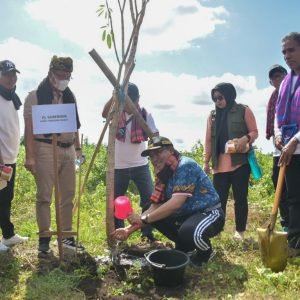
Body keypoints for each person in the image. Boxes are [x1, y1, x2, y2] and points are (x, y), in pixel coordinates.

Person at [113, 136, 225, 266]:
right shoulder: (163, 175)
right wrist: (128, 230)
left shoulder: (185, 166)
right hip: (186, 217)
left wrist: (144, 219)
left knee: (190, 232)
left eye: (158, 153)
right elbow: (154, 207)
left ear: (171, 150)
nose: (155, 159)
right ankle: (185, 246)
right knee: (148, 209)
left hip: (209, 213)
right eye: (151, 156)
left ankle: (205, 254)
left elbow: (176, 203)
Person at [23, 56, 83, 254]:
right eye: (60, 75)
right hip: (45, 148)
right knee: (45, 195)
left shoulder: (70, 96)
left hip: (68, 149)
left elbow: (75, 126)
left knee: (68, 194)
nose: (64, 79)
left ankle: (66, 236)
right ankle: (44, 237)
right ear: (51, 73)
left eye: (68, 76)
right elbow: (29, 129)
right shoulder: (35, 96)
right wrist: (29, 157)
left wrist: (78, 150)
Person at [102, 83, 159, 243]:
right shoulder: (116, 112)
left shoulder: (145, 114)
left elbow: (155, 136)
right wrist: (113, 98)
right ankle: (117, 234)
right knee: (116, 203)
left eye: (130, 104)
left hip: (140, 165)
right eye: (125, 104)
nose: (127, 108)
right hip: (118, 166)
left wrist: (157, 161)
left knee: (149, 199)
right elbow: (104, 114)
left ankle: (147, 233)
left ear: (137, 100)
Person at [203, 83, 258, 240]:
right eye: (214, 99)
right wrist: (206, 162)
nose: (218, 101)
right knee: (218, 201)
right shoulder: (212, 115)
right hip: (219, 166)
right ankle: (217, 230)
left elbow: (254, 132)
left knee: (240, 198)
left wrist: (245, 138)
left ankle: (240, 231)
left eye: (220, 97)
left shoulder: (243, 110)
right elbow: (208, 140)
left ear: (229, 95)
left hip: (239, 162)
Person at [275, 32, 300, 257]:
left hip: (297, 143)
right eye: (284, 52)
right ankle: (295, 242)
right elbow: (278, 114)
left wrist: (296, 139)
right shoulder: (285, 83)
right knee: (294, 197)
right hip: (291, 149)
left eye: (291, 50)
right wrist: (278, 135)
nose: (287, 56)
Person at [0, 60, 28, 252]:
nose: (12, 78)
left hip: (10, 159)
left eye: (14, 74)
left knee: (5, 198)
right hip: (0, 160)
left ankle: (8, 235)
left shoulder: (12, 98)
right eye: (7, 74)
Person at [266, 64, 289, 231]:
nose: (277, 79)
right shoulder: (274, 98)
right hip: (278, 149)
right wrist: (277, 137)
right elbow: (275, 122)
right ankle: (287, 223)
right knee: (280, 186)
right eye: (273, 78)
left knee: (295, 188)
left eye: (279, 75)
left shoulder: (294, 93)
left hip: (295, 149)